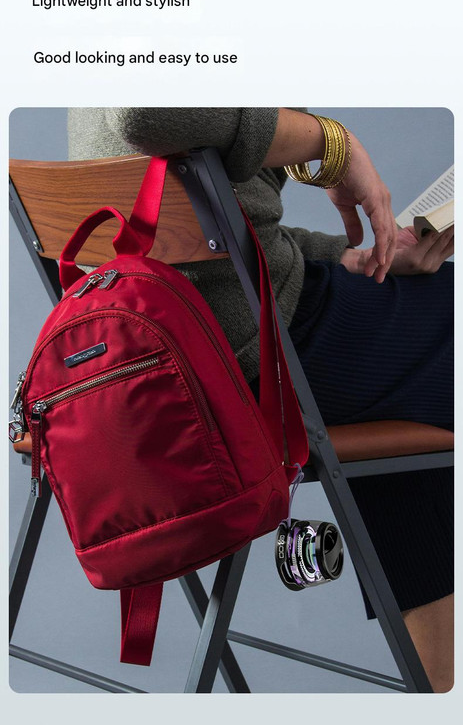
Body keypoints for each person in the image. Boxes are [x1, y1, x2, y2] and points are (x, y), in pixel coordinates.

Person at [68, 107, 454, 692]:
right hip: (252, 351)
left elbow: (225, 231)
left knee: (407, 410)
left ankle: (439, 690)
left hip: (147, 362)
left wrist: (343, 254)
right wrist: (335, 143)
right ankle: (440, 685)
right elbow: (144, 114)